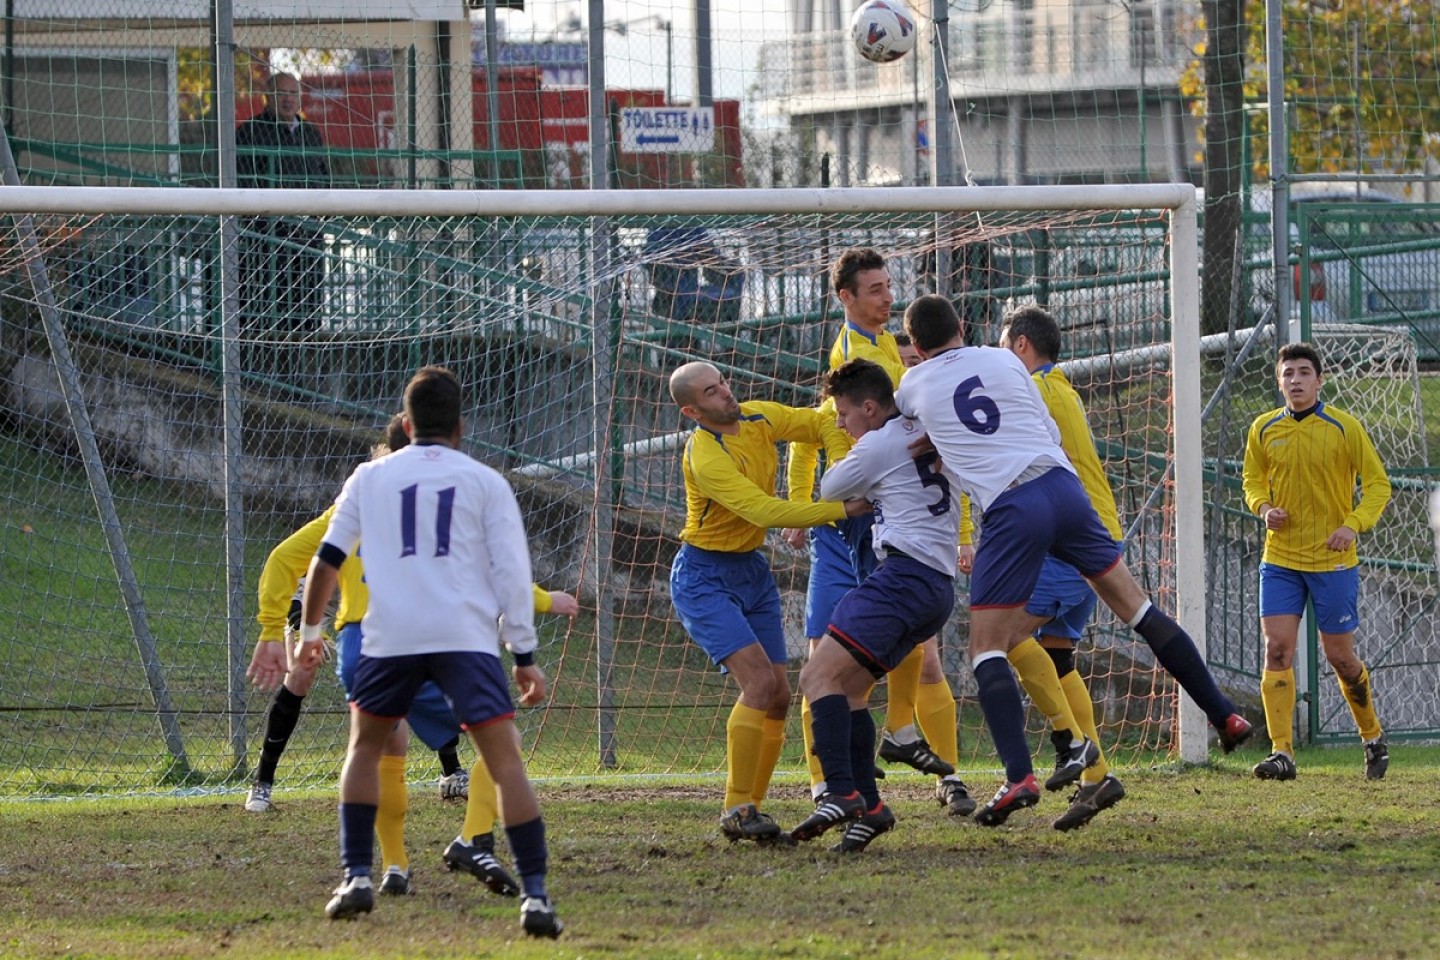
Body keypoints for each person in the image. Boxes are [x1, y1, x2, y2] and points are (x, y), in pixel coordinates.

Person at [897, 295, 1252, 827]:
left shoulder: (913, 383)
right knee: (1137, 610)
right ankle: (1221, 713)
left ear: (917, 347)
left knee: (987, 646)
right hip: (1064, 490)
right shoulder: (1005, 364)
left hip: (1013, 506)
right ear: (963, 328)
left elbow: (902, 432)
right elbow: (1043, 431)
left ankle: (1022, 774)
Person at [245, 416, 579, 897]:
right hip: (430, 637)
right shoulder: (450, 499)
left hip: (367, 643)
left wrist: (291, 629)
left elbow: (291, 559)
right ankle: (476, 840)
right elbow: (491, 570)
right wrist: (542, 604)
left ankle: (384, 868)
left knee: (382, 749)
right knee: (498, 739)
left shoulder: (357, 500)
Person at [294, 367, 562, 937]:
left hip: (390, 637)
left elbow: (326, 562)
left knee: (365, 749)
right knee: (505, 758)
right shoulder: (486, 481)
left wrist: (310, 637)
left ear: (407, 422)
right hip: (464, 639)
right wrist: (524, 655)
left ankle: (358, 877)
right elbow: (511, 575)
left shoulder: (369, 478)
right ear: (462, 426)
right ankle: (536, 897)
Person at [784, 249, 974, 821]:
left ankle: (929, 768)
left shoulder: (887, 352)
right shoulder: (858, 358)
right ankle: (833, 785)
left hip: (881, 516)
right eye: (874, 289)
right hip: (858, 521)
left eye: (890, 286)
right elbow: (815, 430)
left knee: (901, 657)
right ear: (845, 298)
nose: (888, 297)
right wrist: (801, 507)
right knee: (828, 660)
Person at [668, 360, 870, 842]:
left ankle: (748, 810)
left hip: (751, 571)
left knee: (779, 695)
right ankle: (737, 808)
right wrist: (841, 508)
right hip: (703, 575)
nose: (726, 394)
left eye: (724, 382)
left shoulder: (757, 417)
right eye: (712, 392)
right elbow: (764, 509)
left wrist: (843, 455)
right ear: (692, 411)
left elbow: (818, 419)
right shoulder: (706, 455)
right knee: (759, 684)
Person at [791, 359, 961, 853]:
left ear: (869, 407)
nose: (839, 424)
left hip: (903, 580)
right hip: (936, 587)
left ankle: (840, 792)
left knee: (815, 678)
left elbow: (829, 489)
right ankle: (872, 807)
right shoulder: (930, 429)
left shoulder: (878, 445)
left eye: (843, 414)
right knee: (851, 692)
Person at [997, 306, 1130, 829]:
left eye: (1004, 346)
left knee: (1003, 635)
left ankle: (1071, 744)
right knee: (1057, 657)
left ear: (1022, 346)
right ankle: (1097, 778)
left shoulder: (1036, 393)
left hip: (1069, 540)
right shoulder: (1059, 389)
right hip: (1088, 533)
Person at [1240, 341, 1391, 782]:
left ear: (1319, 380)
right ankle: (1281, 752)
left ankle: (1372, 737)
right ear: (1278, 381)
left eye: (1304, 372)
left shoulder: (1344, 428)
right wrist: (1264, 508)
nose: (1296, 381)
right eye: (1288, 374)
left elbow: (1378, 485)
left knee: (1340, 658)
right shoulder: (1264, 429)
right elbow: (1251, 480)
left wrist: (1353, 524)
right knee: (1277, 648)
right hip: (1281, 558)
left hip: (1333, 562)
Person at [235, 71, 330, 334]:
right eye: (281, 93)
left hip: (307, 234)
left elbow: (323, 174)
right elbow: (243, 181)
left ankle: (305, 346)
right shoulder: (249, 133)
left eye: (292, 93)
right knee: (266, 301)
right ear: (268, 97)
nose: (287, 99)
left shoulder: (310, 133)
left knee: (307, 300)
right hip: (267, 236)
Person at [644, 224, 745, 328]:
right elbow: (707, 253)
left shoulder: (662, 223)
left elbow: (707, 255)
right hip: (678, 290)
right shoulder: (683, 223)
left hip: (679, 287)